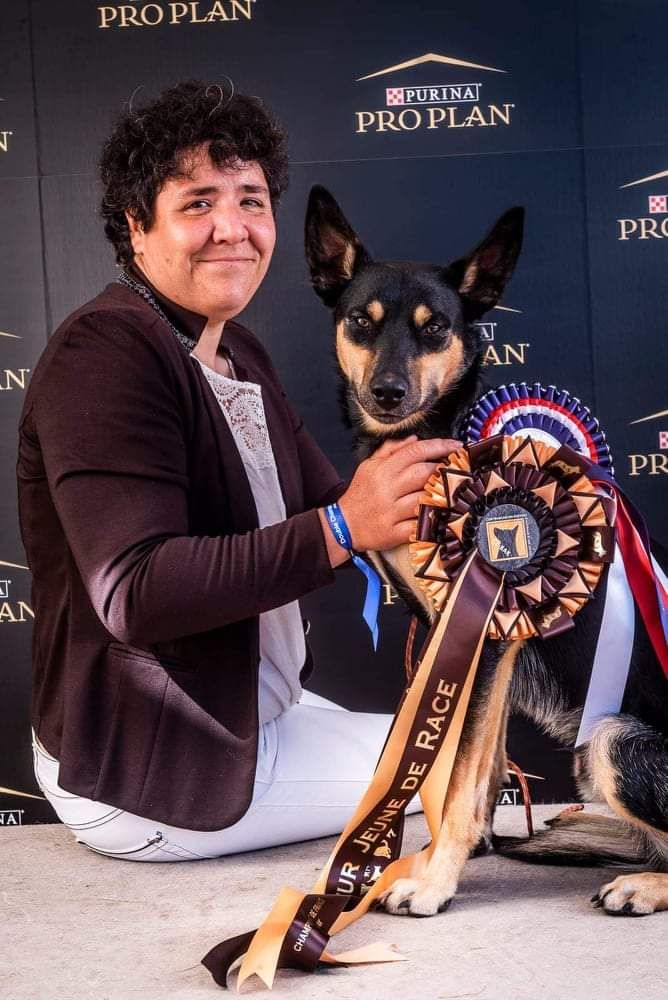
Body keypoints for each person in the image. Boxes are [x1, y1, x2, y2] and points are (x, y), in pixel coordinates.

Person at [17, 81, 456, 861]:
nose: (233, 228)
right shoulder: (104, 353)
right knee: (454, 767)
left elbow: (340, 502)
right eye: (198, 203)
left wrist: (487, 509)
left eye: (251, 200)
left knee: (454, 734)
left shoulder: (237, 348)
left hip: (254, 715)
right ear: (137, 225)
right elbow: (136, 591)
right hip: (149, 764)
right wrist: (343, 526)